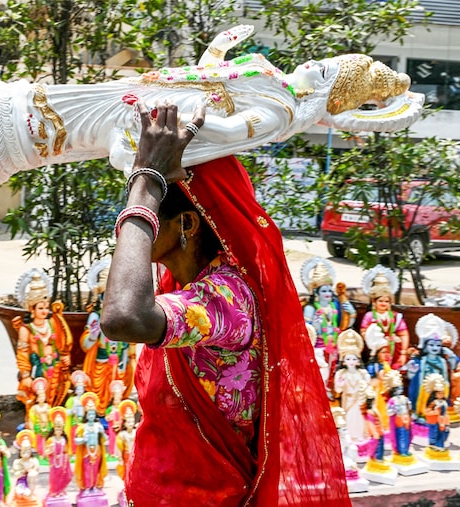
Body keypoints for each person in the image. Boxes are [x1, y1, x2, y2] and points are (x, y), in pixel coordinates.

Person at [99, 101, 350, 505]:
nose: (130, 218)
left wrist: (145, 181)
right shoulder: (178, 285)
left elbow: (122, 317)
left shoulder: (225, 298)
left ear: (188, 224)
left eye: (146, 211)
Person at [0, 26, 423, 187]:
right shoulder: (272, 79)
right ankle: (12, 110)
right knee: (95, 96)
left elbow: (228, 133)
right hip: (162, 93)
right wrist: (218, 49)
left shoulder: (278, 113)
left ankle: (15, 137)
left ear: (329, 96)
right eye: (322, 61)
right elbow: (211, 75)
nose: (313, 64)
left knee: (93, 121)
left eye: (324, 72)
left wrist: (179, 122)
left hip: (163, 112)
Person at [80, 258, 136, 413]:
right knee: (98, 401)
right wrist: (93, 335)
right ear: (100, 298)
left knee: (117, 398)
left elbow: (126, 348)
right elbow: (85, 346)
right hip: (100, 366)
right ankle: (98, 414)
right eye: (106, 296)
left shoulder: (122, 317)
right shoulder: (95, 318)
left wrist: (124, 366)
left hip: (118, 366)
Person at [14, 269, 73, 415]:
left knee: (55, 397)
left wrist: (65, 355)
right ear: (31, 309)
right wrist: (26, 375)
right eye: (41, 308)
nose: (45, 311)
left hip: (55, 368)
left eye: (46, 307)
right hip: (38, 371)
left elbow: (62, 341)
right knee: (37, 400)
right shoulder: (26, 330)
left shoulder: (53, 323)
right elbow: (22, 355)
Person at [302, 257, 356, 396]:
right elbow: (307, 331)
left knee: (335, 369)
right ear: (316, 293)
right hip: (319, 347)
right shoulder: (311, 308)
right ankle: (319, 392)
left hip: (335, 344)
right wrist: (316, 324)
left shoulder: (335, 305)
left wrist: (344, 299)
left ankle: (330, 391)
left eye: (329, 290)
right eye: (324, 291)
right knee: (321, 371)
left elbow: (351, 317)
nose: (328, 294)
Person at [406, 313, 457, 423]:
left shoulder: (442, 361)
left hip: (440, 389)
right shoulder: (420, 360)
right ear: (425, 345)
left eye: (438, 345)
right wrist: (411, 370)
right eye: (431, 345)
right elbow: (411, 376)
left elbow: (453, 366)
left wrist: (451, 356)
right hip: (424, 390)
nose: (435, 348)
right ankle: (420, 413)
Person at [359, 265, 410, 368]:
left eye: (387, 301)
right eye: (380, 301)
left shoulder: (395, 316)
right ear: (374, 301)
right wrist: (377, 340)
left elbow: (404, 334)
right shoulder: (369, 316)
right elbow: (364, 333)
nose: (384, 304)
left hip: (394, 349)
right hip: (376, 350)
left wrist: (403, 352)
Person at [332, 330, 370, 444]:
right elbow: (337, 390)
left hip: (359, 400)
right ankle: (348, 436)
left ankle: (359, 435)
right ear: (343, 361)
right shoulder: (341, 373)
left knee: (359, 419)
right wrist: (340, 383)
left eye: (354, 359)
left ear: (358, 361)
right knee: (348, 419)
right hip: (347, 400)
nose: (351, 362)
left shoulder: (362, 373)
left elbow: (367, 387)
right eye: (348, 359)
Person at [73, 392, 107, 500]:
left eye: (93, 414)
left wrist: (103, 434)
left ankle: (95, 486)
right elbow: (76, 440)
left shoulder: (98, 426)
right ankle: (87, 487)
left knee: (96, 470)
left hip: (97, 452)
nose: (91, 416)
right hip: (86, 453)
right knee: (87, 470)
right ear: (86, 415)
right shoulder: (82, 427)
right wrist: (83, 439)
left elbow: (105, 439)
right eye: (89, 414)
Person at [43, 407, 72, 506]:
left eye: (60, 428)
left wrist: (65, 458)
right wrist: (51, 450)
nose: (58, 430)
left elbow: (66, 451)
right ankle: (54, 492)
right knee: (54, 478)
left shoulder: (64, 439)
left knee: (62, 477)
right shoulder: (51, 440)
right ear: (54, 428)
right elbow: (46, 452)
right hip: (54, 463)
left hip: (62, 463)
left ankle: (61, 491)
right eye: (57, 427)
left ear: (62, 428)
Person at [10, 430, 41, 507]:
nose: (26, 454)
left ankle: (31, 494)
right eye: (24, 452)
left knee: (32, 475)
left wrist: (31, 472)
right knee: (22, 493)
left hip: (31, 483)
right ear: (20, 452)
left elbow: (36, 472)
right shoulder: (17, 462)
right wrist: (23, 471)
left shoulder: (34, 461)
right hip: (22, 483)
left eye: (28, 451)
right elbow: (16, 475)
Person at [25, 377, 51, 457]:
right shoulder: (34, 408)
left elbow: (50, 417)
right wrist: (32, 427)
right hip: (38, 426)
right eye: (40, 397)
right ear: (37, 398)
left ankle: (47, 453)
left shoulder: (47, 407)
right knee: (39, 440)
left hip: (46, 425)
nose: (42, 398)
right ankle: (40, 454)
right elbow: (31, 419)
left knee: (47, 440)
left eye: (43, 396)